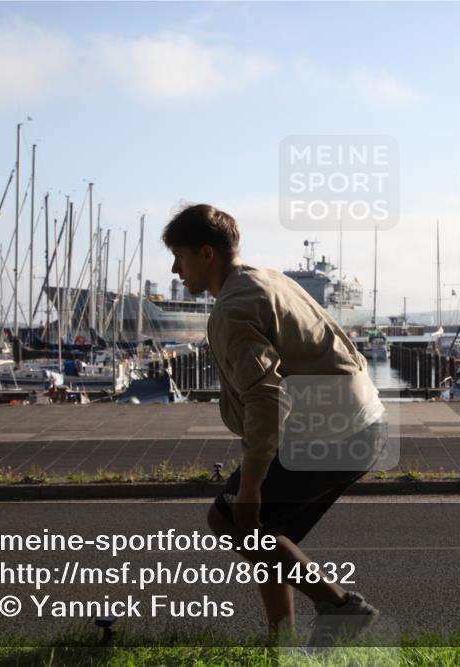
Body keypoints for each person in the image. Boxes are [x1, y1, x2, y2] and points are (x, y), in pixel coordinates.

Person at [162, 204, 387, 646]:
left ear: (206, 254)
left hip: (335, 433)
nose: (175, 269)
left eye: (180, 257)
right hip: (361, 423)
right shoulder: (267, 279)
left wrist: (250, 487)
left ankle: (341, 608)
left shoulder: (233, 309)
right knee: (267, 540)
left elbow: (266, 398)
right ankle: (280, 646)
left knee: (229, 518)